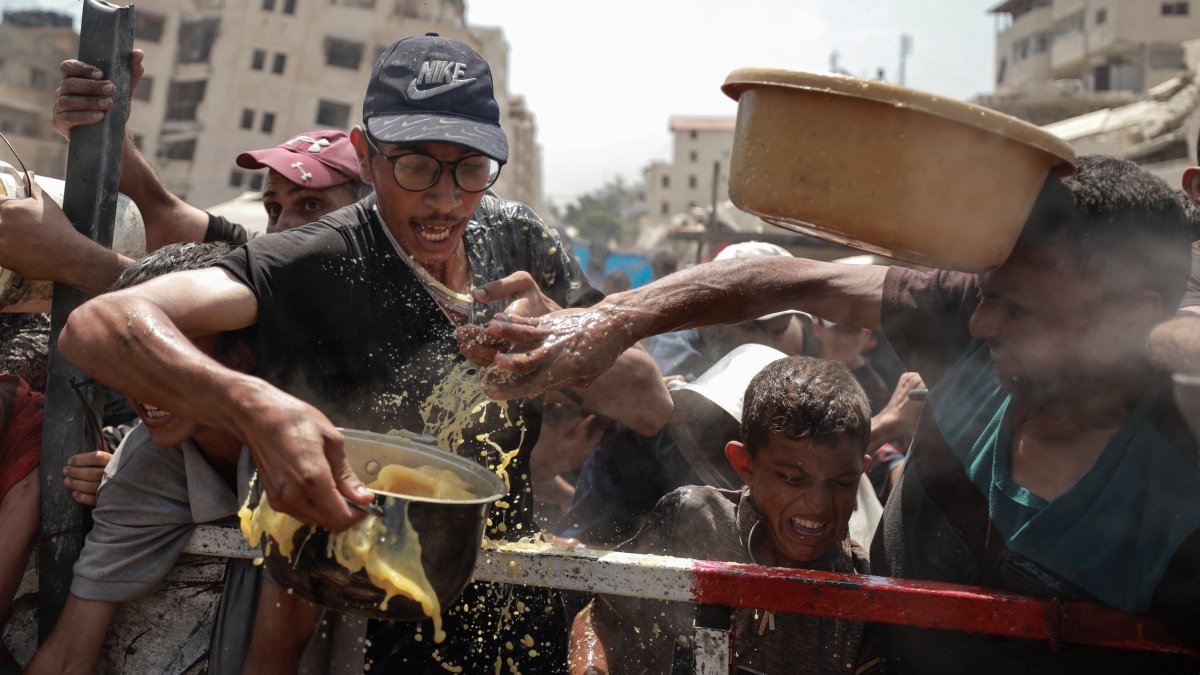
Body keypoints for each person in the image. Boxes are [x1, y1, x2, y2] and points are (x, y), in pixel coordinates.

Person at [59, 33, 668, 674]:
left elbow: (650, 403)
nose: (444, 198)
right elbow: (102, 324)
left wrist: (556, 331)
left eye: (470, 168)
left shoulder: (517, 238)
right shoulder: (322, 260)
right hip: (368, 628)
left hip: (514, 613)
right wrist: (254, 407)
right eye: (415, 166)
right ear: (365, 156)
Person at [471, 155, 1200, 671]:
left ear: (1128, 317)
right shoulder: (964, 311)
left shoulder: (1179, 488)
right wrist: (613, 318)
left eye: (1019, 308)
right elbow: (790, 276)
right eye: (986, 293)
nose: (980, 325)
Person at [569, 356, 878, 674]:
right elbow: (598, 617)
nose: (817, 503)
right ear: (745, 464)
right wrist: (591, 668)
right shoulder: (695, 520)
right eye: (791, 478)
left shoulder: (862, 589)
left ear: (861, 472)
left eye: (841, 483)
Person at [25, 242, 248, 675]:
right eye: (126, 357)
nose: (144, 385)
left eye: (168, 354)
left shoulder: (313, 438)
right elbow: (70, 654)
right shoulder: (143, 463)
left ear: (241, 354)